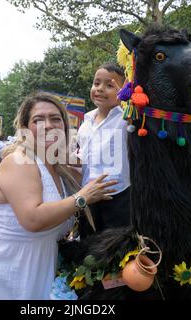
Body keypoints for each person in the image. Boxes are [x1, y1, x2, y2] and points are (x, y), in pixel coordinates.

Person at [0, 93, 117, 299]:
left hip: (35, 271)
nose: (48, 125)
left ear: (64, 127)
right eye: (38, 119)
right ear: (26, 129)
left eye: (55, 118)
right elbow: (33, 219)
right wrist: (82, 197)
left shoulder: (60, 167)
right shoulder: (19, 161)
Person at [76, 62, 130, 238]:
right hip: (88, 195)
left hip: (118, 197)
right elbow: (85, 157)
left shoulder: (126, 119)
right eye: (96, 83)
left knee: (115, 246)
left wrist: (127, 101)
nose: (100, 89)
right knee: (87, 243)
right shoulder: (86, 122)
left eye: (110, 85)